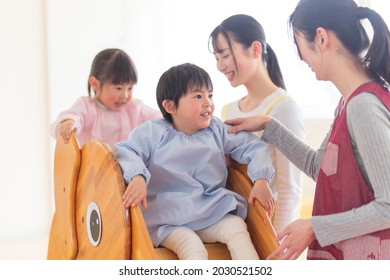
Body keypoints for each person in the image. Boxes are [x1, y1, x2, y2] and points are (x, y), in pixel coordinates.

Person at [225, 0, 390, 260]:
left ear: (321, 38)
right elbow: (319, 166)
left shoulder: (363, 106)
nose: (301, 57)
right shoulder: (348, 102)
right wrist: (270, 126)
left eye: (299, 43)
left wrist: (314, 227)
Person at [114, 63, 275, 260]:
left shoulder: (216, 129)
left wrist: (262, 180)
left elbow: (254, 147)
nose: (208, 103)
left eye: (210, 95)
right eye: (198, 96)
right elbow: (125, 150)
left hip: (209, 210)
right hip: (167, 219)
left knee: (236, 227)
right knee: (192, 246)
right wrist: (137, 176)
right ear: (170, 106)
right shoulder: (153, 132)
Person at [209, 14, 305, 233]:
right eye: (217, 58)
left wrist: (276, 248)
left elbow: (289, 190)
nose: (220, 66)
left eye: (224, 55)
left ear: (255, 49)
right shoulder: (228, 110)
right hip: (239, 230)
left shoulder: (283, 107)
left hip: (270, 234)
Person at [50, 48, 162, 148]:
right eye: (118, 88)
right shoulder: (87, 107)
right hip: (93, 170)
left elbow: (160, 119)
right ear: (95, 84)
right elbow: (74, 117)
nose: (125, 95)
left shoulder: (135, 108)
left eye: (130, 88)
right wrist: (69, 122)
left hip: (127, 170)